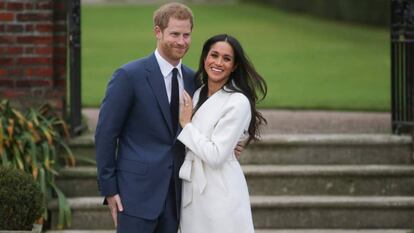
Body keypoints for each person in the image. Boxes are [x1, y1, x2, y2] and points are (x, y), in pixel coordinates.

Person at [95, 3, 195, 233]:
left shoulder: (193, 79)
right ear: (157, 32)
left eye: (187, 34)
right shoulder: (129, 76)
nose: (182, 41)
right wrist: (109, 190)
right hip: (134, 194)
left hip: (177, 195)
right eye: (175, 34)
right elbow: (106, 134)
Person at [177, 34, 267, 233]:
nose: (218, 63)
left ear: (234, 66)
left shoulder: (238, 102)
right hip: (192, 189)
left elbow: (216, 155)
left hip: (221, 190)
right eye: (214, 55)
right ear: (205, 58)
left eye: (226, 59)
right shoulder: (198, 93)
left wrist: (186, 125)